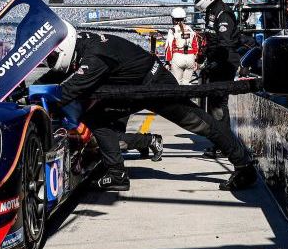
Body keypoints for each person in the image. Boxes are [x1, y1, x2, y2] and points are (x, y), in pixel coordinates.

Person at [37, 24, 258, 192]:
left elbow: (67, 93)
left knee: (199, 123)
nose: (51, 59)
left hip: (154, 85)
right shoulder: (82, 42)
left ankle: (244, 166)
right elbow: (57, 75)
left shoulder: (93, 58)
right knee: (97, 118)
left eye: (53, 55)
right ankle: (116, 174)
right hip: (135, 86)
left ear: (64, 48)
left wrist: (34, 101)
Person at [190, 0, 242, 159]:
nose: (197, 0)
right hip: (216, 63)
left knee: (219, 107)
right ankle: (220, 142)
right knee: (213, 106)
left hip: (225, 64)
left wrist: (213, 63)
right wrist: (203, 57)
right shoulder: (211, 11)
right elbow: (210, 40)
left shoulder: (223, 13)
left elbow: (225, 44)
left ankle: (224, 145)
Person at [165, 7, 200, 85]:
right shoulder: (190, 29)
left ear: (173, 19)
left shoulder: (172, 30)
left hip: (178, 57)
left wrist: (167, 62)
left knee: (177, 83)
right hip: (190, 57)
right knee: (186, 83)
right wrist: (195, 60)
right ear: (184, 18)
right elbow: (196, 46)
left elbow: (169, 47)